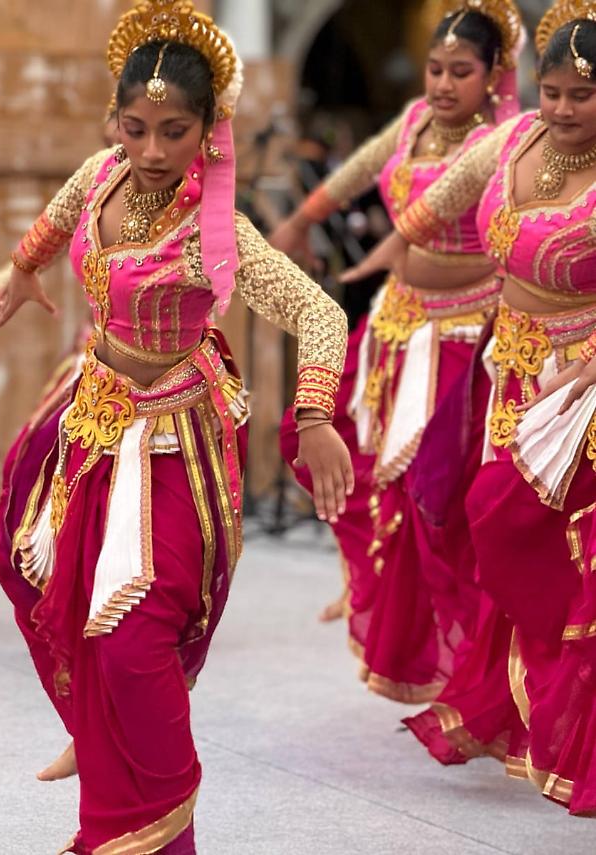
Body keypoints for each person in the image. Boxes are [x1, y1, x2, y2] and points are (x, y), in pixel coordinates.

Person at [0, 1, 351, 850]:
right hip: (90, 413)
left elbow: (321, 312)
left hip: (173, 438)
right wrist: (18, 273)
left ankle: (154, 823)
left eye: (174, 131)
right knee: (21, 560)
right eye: (136, 128)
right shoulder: (100, 174)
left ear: (209, 128)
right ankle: (93, 727)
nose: (151, 151)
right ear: (114, 121)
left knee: (133, 636)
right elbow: (51, 227)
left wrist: (314, 413)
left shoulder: (215, 231)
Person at [344, 1, 596, 814]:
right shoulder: (514, 140)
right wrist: (389, 252)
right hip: (508, 368)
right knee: (493, 529)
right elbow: (439, 199)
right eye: (552, 91)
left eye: (582, 95)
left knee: (552, 547)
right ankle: (526, 708)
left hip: (576, 386)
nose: (562, 108)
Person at [270, 3, 523, 694]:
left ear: (493, 75)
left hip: (466, 334)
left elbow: (479, 218)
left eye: (460, 72)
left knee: (436, 501)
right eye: (435, 69)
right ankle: (372, 589)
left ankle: (459, 662)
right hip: (393, 324)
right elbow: (357, 170)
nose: (442, 84)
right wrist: (299, 221)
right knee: (312, 431)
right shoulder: (413, 123)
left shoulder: (506, 143)